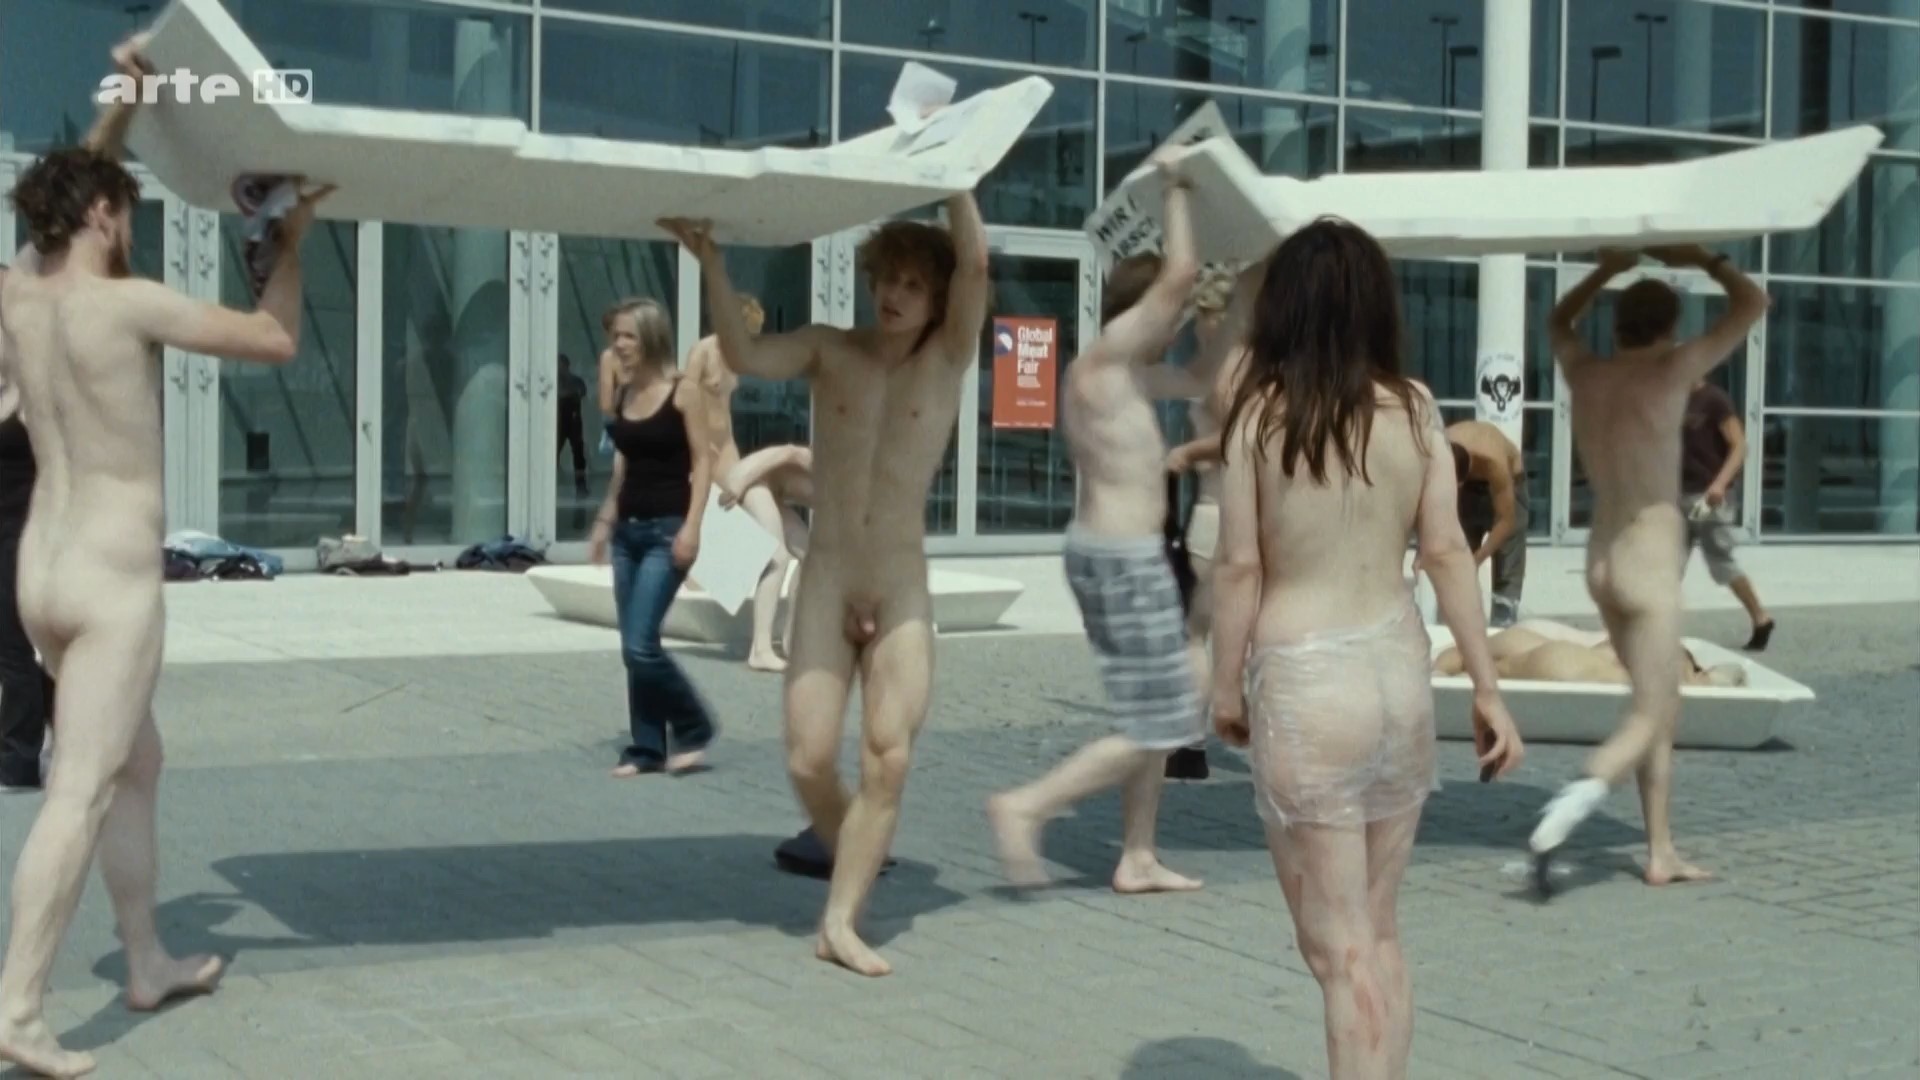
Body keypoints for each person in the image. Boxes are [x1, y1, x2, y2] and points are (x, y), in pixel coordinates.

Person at [0, 36, 332, 1078]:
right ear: (103, 216)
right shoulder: (128, 304)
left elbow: (63, 200)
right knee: (82, 789)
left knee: (135, 761)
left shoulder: (17, 293)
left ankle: (144, 958)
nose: (133, 227)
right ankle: (18, 1011)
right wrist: (290, 240)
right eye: (126, 212)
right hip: (111, 583)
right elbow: (273, 339)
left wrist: (122, 107)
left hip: (41, 572)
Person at [1207, 218, 1524, 1080]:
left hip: (1307, 687)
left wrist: (1224, 686)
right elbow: (1448, 552)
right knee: (1379, 936)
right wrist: (1487, 688)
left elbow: (1238, 567)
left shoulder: (1260, 417)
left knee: (1337, 950)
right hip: (1397, 681)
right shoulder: (1415, 408)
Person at [661, 194, 989, 978]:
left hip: (899, 585)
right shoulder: (828, 349)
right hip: (831, 576)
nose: (895, 294)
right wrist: (713, 264)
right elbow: (743, 353)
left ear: (937, 297)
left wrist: (956, 183)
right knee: (809, 760)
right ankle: (859, 850)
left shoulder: (948, 357)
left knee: (887, 757)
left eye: (914, 284)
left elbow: (976, 262)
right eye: (888, 279)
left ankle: (839, 921)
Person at [987, 155, 1205, 896]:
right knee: (1160, 722)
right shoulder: (1107, 361)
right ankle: (1027, 806)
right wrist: (1178, 190)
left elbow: (1210, 378)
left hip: (1119, 554)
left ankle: (1137, 855)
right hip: (1123, 559)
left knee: (1152, 709)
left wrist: (1241, 290)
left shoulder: (1126, 373)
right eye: (1173, 315)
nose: (1178, 325)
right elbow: (1181, 272)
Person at [1529, 245, 1770, 892]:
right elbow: (1754, 302)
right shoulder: (1673, 369)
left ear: (1617, 325)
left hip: (1601, 559)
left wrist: (1606, 269)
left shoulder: (1587, 372)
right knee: (1653, 707)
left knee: (1656, 707)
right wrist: (1705, 259)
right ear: (1670, 327)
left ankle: (1660, 851)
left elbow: (1557, 321)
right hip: (1648, 562)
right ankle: (1581, 792)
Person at [586, 298, 717, 779]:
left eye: (628, 336)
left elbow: (703, 461)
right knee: (633, 647)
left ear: (651, 338)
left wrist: (693, 527)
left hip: (667, 530)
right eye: (615, 336)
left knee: (641, 646)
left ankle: (694, 724)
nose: (618, 345)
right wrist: (605, 520)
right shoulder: (624, 394)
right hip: (628, 532)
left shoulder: (683, 392)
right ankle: (646, 748)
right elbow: (624, 462)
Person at [1163, 262, 1258, 780]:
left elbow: (1237, 439)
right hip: (1240, 512)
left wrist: (1185, 453)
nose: (1197, 327)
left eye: (1202, 316)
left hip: (1216, 509)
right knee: (1239, 630)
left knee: (1195, 633)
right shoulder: (1253, 368)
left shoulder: (1227, 371)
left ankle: (1189, 743)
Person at [686, 296, 803, 673]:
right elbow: (683, 407)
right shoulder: (703, 352)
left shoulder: (736, 357)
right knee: (775, 554)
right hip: (709, 466)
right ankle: (760, 648)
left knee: (800, 550)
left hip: (734, 465)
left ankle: (785, 641)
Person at [0, 272, 56, 796]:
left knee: (14, 647)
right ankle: (69, 719)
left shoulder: (33, 389)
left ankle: (18, 759)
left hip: (21, 529)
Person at [1681, 379, 1774, 650]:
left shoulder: (1714, 400)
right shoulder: (1673, 397)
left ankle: (1761, 618)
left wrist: (1720, 484)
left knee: (1720, 561)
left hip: (1708, 496)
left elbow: (1739, 446)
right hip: (1676, 494)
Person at [717, 443, 813, 661]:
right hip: (751, 483)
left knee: (812, 558)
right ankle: (760, 650)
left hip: (773, 494)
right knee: (777, 556)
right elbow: (789, 451)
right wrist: (738, 485)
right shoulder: (824, 464)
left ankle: (791, 641)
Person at [1433, 621, 1747, 688]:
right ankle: (1443, 673)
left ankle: (1440, 673)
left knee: (1476, 657)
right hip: (1568, 663)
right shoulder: (1675, 663)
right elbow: (1729, 673)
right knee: (1488, 664)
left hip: (1555, 654)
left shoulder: (1626, 652)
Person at [1445, 419, 1529, 627]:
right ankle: (1454, 616)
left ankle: (1504, 615)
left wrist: (1477, 560)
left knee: (1508, 553)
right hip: (1466, 477)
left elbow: (1506, 522)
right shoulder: (1435, 448)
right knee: (1457, 553)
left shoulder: (1493, 461)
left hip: (1510, 481)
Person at [556, 353, 589, 497]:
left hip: (573, 420)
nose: (559, 368)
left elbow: (582, 392)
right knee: (553, 452)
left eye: (560, 364)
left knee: (578, 453)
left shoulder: (575, 380)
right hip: (558, 421)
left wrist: (567, 394)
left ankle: (581, 485)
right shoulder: (554, 380)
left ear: (566, 365)